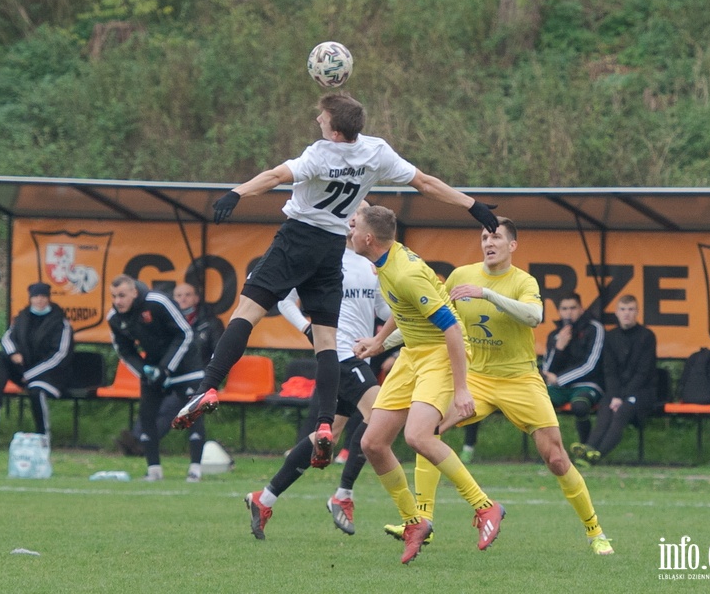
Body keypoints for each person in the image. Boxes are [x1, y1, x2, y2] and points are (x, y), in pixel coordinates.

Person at [172, 91, 499, 471]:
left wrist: (237, 192)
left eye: (322, 117)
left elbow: (277, 176)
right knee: (326, 339)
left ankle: (208, 385)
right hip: (331, 249)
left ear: (336, 130)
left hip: (297, 239)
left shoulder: (321, 153)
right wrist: (471, 204)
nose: (317, 121)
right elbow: (424, 182)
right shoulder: (375, 152)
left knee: (248, 310)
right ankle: (326, 424)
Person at [382, 218, 614, 556]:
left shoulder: (523, 281)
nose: (489, 242)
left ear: (512, 246)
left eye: (496, 237)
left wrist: (486, 294)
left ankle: (596, 532)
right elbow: (429, 316)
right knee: (427, 433)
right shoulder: (462, 275)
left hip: (520, 379)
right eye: (484, 237)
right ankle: (424, 523)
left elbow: (534, 316)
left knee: (556, 458)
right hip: (476, 376)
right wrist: (381, 343)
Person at [350, 205, 505, 565]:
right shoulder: (383, 259)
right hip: (413, 353)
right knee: (372, 442)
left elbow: (450, 327)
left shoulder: (405, 273)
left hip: (440, 351)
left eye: (353, 227)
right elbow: (402, 309)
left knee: (418, 436)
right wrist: (378, 341)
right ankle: (414, 522)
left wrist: (463, 389)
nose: (350, 232)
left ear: (369, 238)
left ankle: (486, 507)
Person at [243, 220, 391, 539]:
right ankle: (343, 495)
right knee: (379, 414)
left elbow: (380, 309)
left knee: (327, 437)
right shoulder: (327, 255)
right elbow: (283, 299)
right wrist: (308, 329)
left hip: (358, 354)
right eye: (353, 216)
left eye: (361, 217)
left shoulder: (370, 266)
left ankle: (263, 499)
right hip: (339, 353)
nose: (356, 222)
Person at [107, 275, 205, 481]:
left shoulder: (157, 302)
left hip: (186, 364)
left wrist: (167, 368)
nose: (118, 301)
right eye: (114, 296)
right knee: (146, 415)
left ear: (134, 293)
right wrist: (145, 370)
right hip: (154, 365)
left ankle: (195, 470)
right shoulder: (114, 318)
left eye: (122, 295)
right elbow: (125, 351)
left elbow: (185, 334)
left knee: (193, 413)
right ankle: (154, 470)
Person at [114, 283, 224, 460]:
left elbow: (220, 352)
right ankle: (141, 440)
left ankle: (140, 442)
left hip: (198, 374)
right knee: (151, 403)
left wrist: (209, 375)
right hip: (169, 371)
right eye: (179, 295)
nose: (183, 299)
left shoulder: (210, 323)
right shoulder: (166, 319)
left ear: (196, 298)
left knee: (171, 405)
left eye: (188, 295)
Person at [572, 294, 657, 465]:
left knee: (621, 412)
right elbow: (609, 372)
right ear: (617, 313)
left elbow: (643, 373)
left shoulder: (647, 336)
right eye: (623, 309)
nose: (627, 314)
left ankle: (596, 454)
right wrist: (615, 395)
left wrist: (622, 397)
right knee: (605, 409)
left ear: (637, 312)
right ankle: (588, 448)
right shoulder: (610, 337)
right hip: (617, 391)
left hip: (642, 391)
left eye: (631, 309)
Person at [0, 282, 73, 437]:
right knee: (2, 358)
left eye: (43, 296)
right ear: (31, 299)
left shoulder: (61, 323)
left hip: (51, 375)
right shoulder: (22, 317)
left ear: (48, 299)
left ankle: (43, 435)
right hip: (24, 370)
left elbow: (59, 356)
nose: (39, 300)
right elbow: (7, 338)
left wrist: (31, 374)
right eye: (36, 296)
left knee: (36, 391)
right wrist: (13, 353)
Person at [541, 292, 605, 444]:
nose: (568, 312)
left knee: (580, 406)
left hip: (588, 383)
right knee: (540, 404)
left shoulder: (594, 328)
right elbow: (547, 369)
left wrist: (560, 379)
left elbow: (591, 365)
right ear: (559, 311)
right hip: (560, 386)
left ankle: (585, 447)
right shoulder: (555, 334)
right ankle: (549, 447)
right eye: (564, 308)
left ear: (581, 309)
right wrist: (559, 348)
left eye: (573, 308)